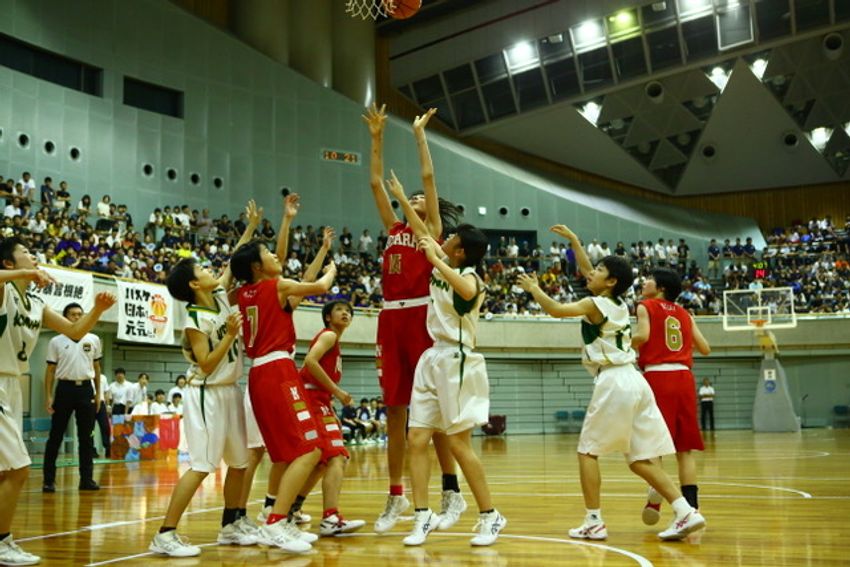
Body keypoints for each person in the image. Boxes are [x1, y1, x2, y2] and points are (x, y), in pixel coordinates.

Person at [517, 225, 705, 541]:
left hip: (614, 380)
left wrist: (534, 289)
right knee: (640, 460)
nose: (591, 273)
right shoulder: (617, 303)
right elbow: (588, 272)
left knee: (587, 452)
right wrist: (575, 242)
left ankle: (594, 521)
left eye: (600, 270)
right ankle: (686, 511)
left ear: (611, 281)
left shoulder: (594, 305)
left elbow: (557, 310)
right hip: (636, 381)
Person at [363, 103, 467, 533]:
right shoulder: (393, 229)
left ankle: (451, 490)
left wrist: (420, 135)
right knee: (394, 410)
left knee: (432, 411)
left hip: (422, 317)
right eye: (413, 199)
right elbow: (374, 182)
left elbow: (427, 177)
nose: (417, 198)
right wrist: (376, 138)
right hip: (390, 320)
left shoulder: (433, 231)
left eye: (422, 199)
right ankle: (395, 496)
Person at [387, 174, 506, 547]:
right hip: (432, 356)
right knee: (417, 437)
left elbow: (467, 291)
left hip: (458, 359)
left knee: (458, 444)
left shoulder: (470, 277)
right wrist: (402, 198)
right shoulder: (443, 258)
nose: (446, 237)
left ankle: (490, 515)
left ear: (460, 251)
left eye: (452, 239)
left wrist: (436, 262)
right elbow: (421, 228)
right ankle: (422, 515)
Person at [149, 200, 262, 557]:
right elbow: (208, 364)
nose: (211, 269)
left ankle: (231, 524)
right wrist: (230, 335)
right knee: (201, 466)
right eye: (202, 268)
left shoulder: (219, 296)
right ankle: (165, 533)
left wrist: (250, 227)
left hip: (229, 390)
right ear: (195, 283)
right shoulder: (195, 320)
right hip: (206, 393)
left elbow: (231, 265)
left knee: (240, 462)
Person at [0, 237, 115, 565]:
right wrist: (25, 275)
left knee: (6, 471)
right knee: (19, 468)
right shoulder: (5, 291)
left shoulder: (35, 302)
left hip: (12, 384)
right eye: (25, 253)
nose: (33, 256)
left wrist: (98, 310)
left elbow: (74, 331)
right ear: (8, 263)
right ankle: (2, 542)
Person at [230, 200, 337, 553]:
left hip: (261, 373)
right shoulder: (274, 288)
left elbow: (271, 267)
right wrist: (332, 269)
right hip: (277, 371)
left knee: (288, 453)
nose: (277, 257)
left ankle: (277, 517)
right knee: (309, 449)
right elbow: (318, 286)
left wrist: (287, 222)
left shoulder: (241, 293)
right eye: (269, 255)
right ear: (257, 266)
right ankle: (275, 521)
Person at [632, 268, 711, 525]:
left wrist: (619, 343)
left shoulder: (645, 306)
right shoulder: (685, 314)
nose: (645, 282)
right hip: (684, 378)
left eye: (650, 279)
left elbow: (643, 336)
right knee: (684, 449)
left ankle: (655, 500)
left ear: (661, 287)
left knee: (652, 446)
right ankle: (693, 508)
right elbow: (705, 348)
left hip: (657, 377)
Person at [298, 300, 366, 536]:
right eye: (339, 310)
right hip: (312, 399)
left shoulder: (334, 341)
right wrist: (337, 392)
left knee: (322, 462)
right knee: (337, 456)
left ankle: (294, 508)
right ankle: (330, 517)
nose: (345, 313)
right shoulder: (329, 336)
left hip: (319, 401)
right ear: (328, 317)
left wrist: (331, 405)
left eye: (348, 311)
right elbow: (310, 362)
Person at [42, 302, 104, 493]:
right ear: (65, 317)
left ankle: (86, 480)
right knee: (56, 436)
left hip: (86, 390)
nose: (77, 317)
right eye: (73, 314)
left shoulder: (93, 339)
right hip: (64, 390)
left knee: (86, 438)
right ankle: (48, 481)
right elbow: (50, 370)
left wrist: (98, 394)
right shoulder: (56, 341)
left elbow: (97, 368)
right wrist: (48, 396)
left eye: (80, 314)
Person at [93, 373, 111, 458]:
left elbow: (106, 392)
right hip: (90, 403)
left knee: (105, 427)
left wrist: (108, 405)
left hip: (101, 404)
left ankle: (108, 448)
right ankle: (91, 449)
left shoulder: (103, 377)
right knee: (90, 429)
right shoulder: (87, 376)